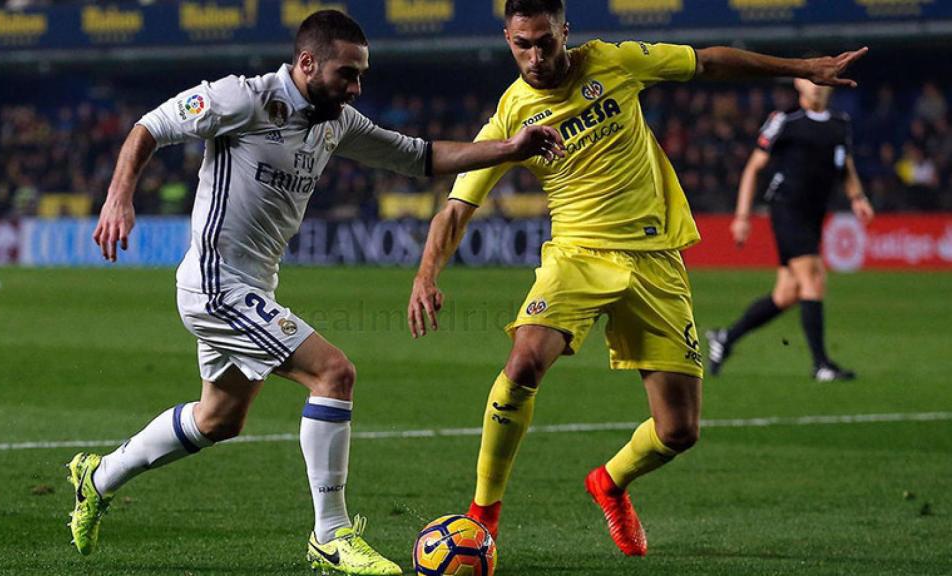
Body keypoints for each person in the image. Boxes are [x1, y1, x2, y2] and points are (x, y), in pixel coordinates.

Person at [71, 10, 562, 575]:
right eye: (347, 75)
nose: (356, 87)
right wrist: (118, 196)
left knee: (219, 419)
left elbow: (420, 157)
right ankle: (330, 534)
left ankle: (98, 477)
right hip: (215, 281)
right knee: (334, 372)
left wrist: (510, 149)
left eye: (361, 76)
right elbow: (149, 128)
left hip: (254, 284)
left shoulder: (338, 121)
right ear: (307, 63)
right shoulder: (241, 99)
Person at [406, 0, 866, 558]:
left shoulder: (616, 61)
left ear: (564, 32)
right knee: (524, 360)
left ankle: (610, 481)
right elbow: (455, 209)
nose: (534, 56)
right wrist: (426, 274)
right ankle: (483, 516)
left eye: (544, 41)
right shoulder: (511, 116)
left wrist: (801, 67)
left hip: (655, 260)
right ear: (507, 38)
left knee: (678, 431)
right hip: (576, 255)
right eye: (522, 44)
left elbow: (708, 62)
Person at [706, 78, 875, 382]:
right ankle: (821, 364)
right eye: (812, 81)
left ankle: (725, 338)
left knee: (786, 294)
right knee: (813, 278)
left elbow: (846, 165)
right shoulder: (785, 121)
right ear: (799, 84)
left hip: (814, 215)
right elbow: (753, 167)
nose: (817, 87)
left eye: (823, 82)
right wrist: (742, 216)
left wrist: (858, 198)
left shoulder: (840, 123)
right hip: (786, 208)